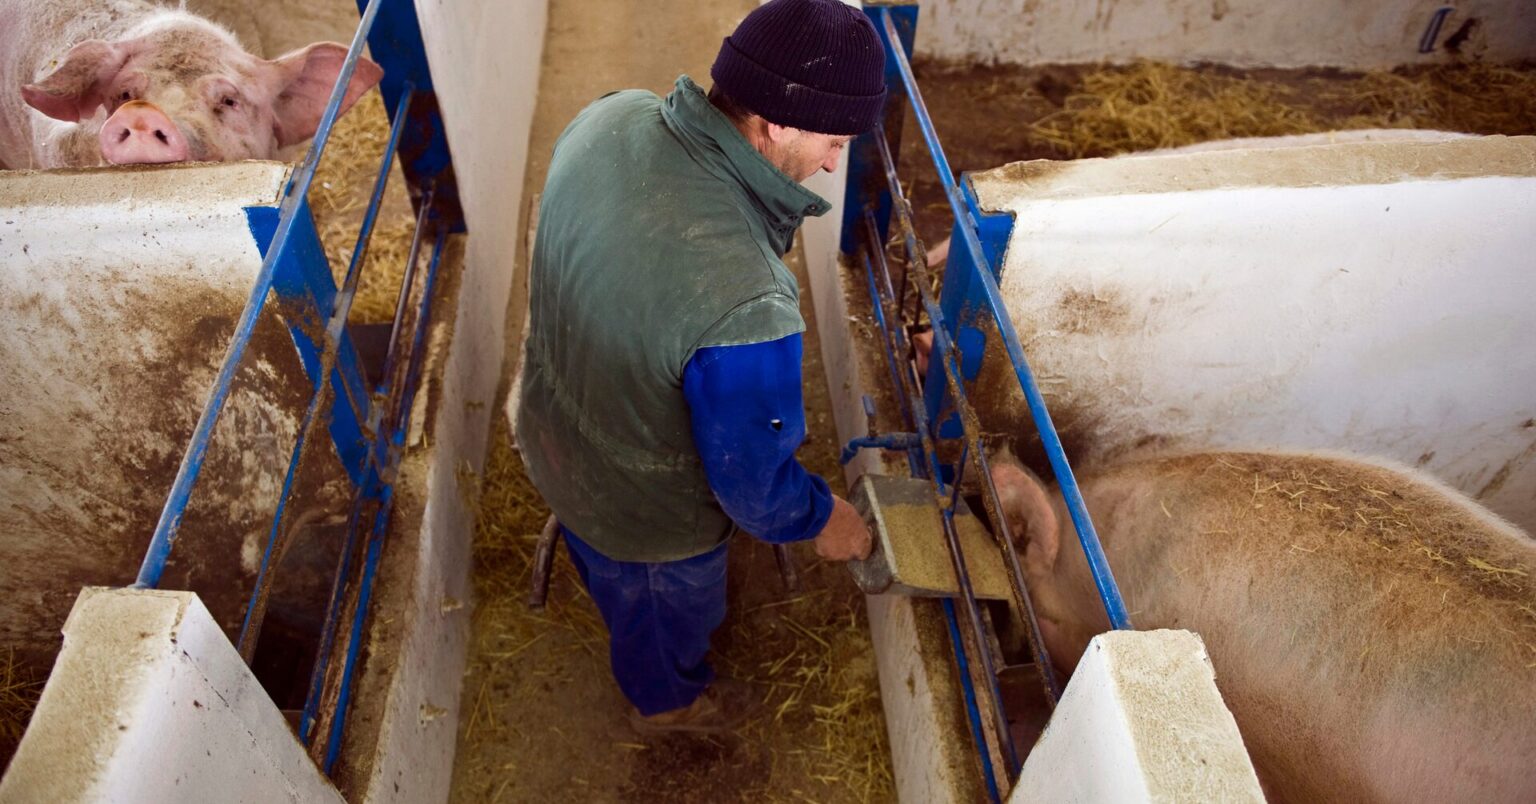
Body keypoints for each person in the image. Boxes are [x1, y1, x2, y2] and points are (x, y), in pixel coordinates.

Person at [515, 0, 887, 734]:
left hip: (551, 420)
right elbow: (752, 491)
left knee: (616, 565)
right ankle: (669, 703)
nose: (834, 161)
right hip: (638, 517)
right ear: (778, 121)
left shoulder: (612, 116)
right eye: (835, 138)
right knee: (663, 619)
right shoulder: (744, 299)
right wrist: (828, 519)